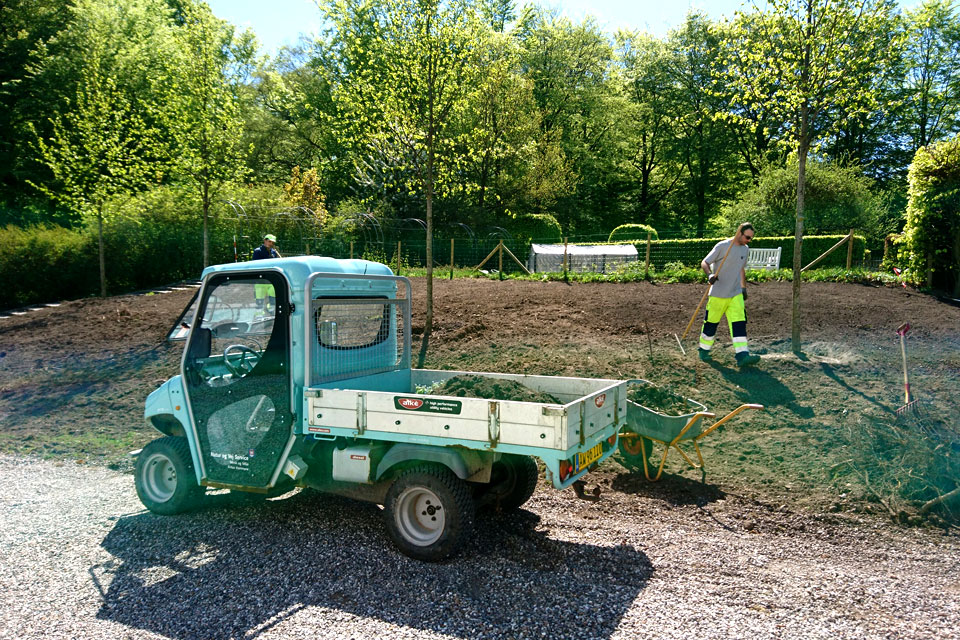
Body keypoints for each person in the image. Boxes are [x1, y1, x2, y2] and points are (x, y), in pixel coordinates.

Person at [698, 223, 761, 367]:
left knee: (739, 322)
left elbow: (741, 269)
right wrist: (710, 275)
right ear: (739, 232)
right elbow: (705, 262)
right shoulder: (723, 246)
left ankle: (742, 355)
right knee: (711, 323)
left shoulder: (745, 250)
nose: (749, 240)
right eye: (747, 237)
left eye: (751, 238)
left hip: (735, 293)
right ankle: (704, 349)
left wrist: (743, 288)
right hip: (718, 293)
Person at [252, 234, 281, 313]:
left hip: (271, 281)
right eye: (269, 241)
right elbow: (255, 265)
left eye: (272, 242)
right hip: (260, 280)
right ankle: (259, 316)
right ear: (265, 240)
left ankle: (272, 314)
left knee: (273, 300)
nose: (271, 244)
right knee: (259, 302)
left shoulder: (274, 252)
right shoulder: (258, 251)